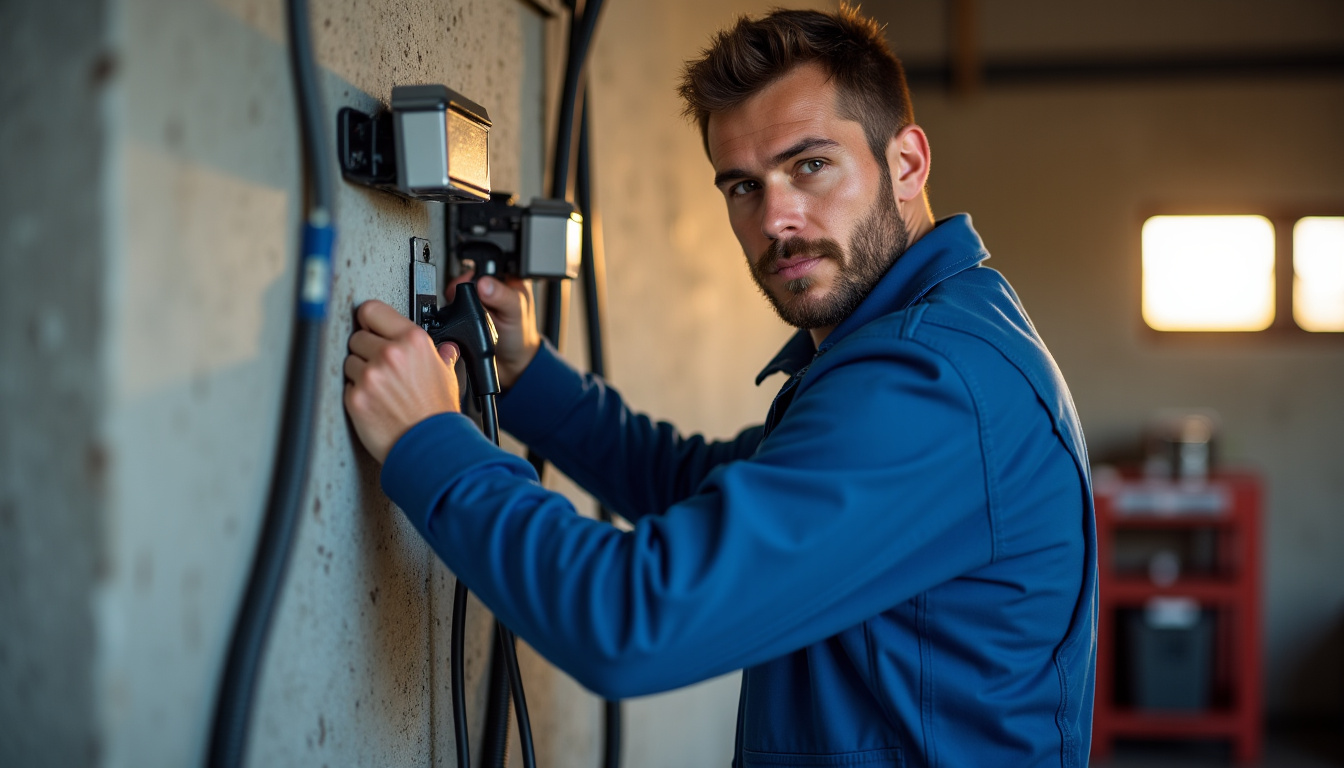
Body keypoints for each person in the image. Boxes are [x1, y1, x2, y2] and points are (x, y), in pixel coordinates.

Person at [343, 6, 1096, 766]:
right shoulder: (929, 340)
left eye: (810, 166)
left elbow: (632, 623)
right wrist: (528, 373)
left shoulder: (932, 386)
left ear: (905, 163)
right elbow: (703, 486)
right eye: (742, 185)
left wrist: (428, 442)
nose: (776, 218)